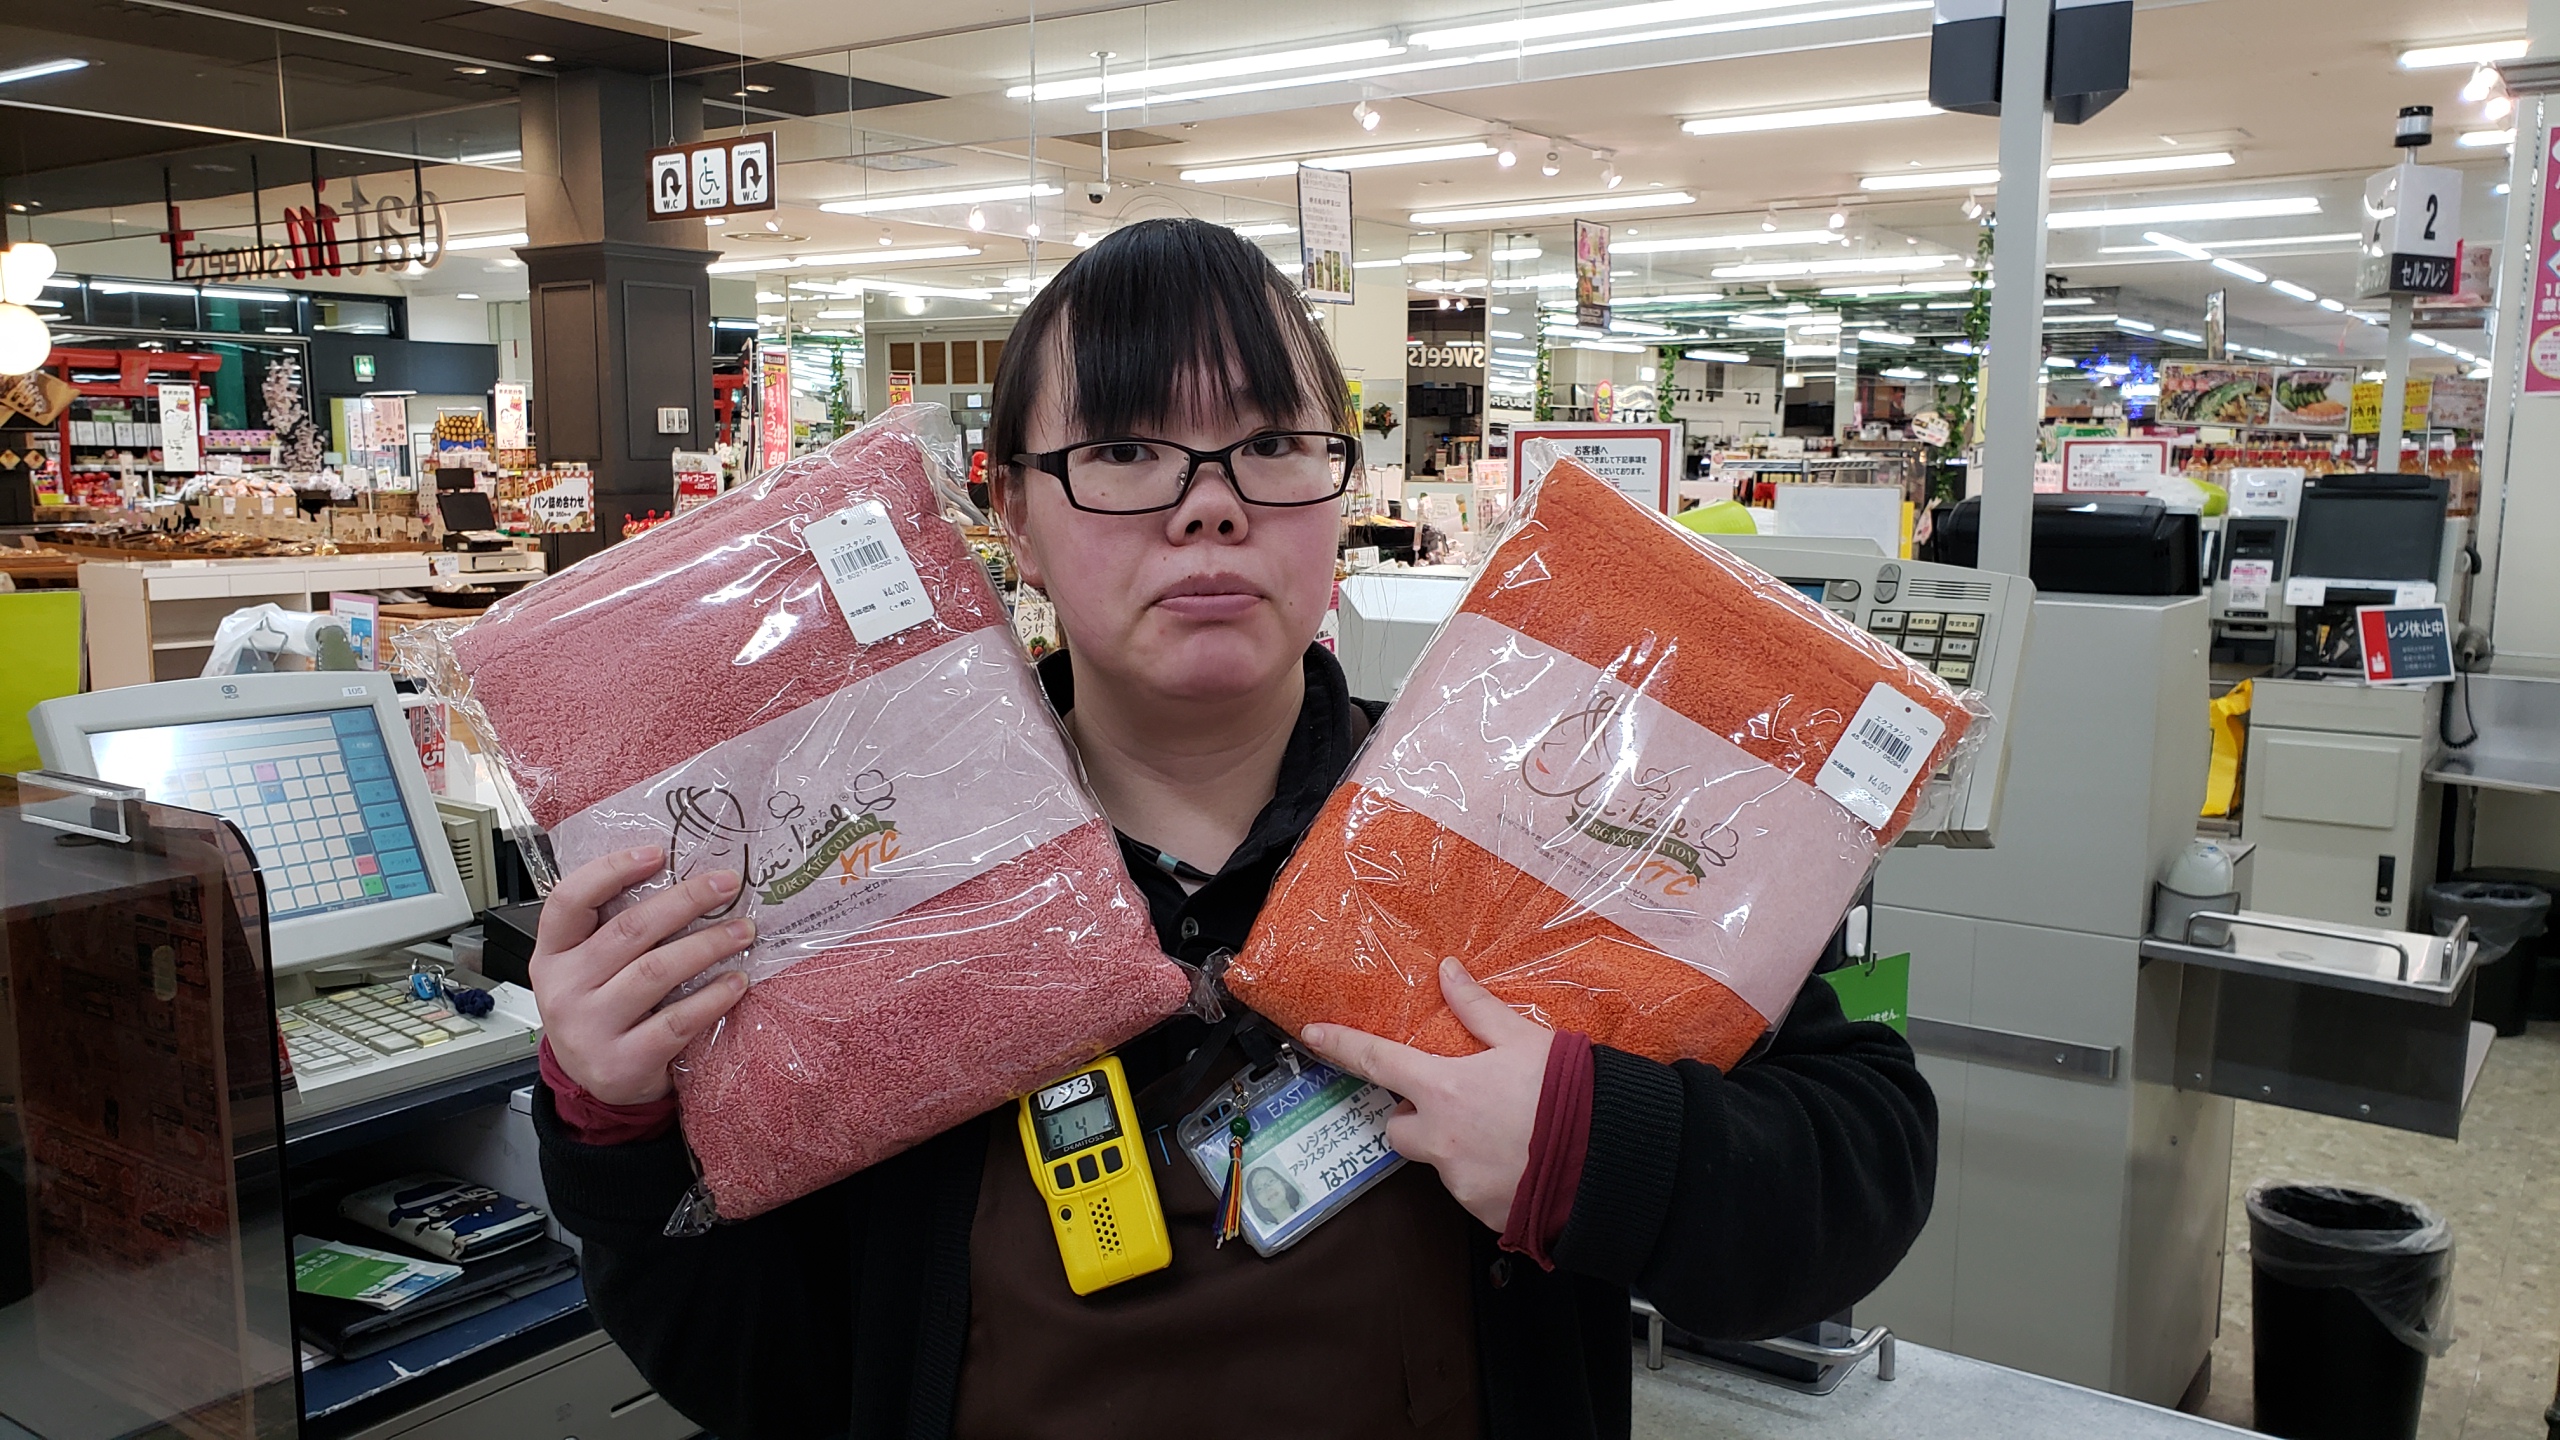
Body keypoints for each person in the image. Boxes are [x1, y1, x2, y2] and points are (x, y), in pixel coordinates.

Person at [530, 217, 1937, 1440]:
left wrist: (1594, 1144)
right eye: (1124, 450)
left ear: (1341, 489)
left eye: (1268, 445)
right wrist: (616, 1117)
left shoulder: (1526, 800)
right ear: (1011, 510)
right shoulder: (881, 868)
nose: (1209, 507)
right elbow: (763, 1372)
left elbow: (1859, 1161)